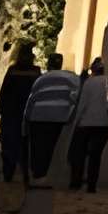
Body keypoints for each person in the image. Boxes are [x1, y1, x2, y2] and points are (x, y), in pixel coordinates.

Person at [66, 59, 108, 194]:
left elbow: (82, 104)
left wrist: (76, 122)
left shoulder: (88, 82)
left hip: (86, 123)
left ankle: (76, 182)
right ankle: (91, 185)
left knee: (79, 154)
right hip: (103, 124)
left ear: (93, 70)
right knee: (95, 156)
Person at [21, 52, 78, 180]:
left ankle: (37, 173)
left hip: (38, 116)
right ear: (61, 64)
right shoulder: (72, 78)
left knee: (37, 146)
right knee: (51, 146)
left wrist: (26, 120)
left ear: (48, 63)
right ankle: (46, 174)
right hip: (59, 117)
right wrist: (71, 116)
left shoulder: (41, 79)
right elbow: (75, 98)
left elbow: (31, 100)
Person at [0, 50, 37, 183]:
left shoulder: (12, 71)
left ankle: (8, 173)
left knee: (7, 145)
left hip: (10, 114)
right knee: (24, 145)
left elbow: (4, 92)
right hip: (26, 114)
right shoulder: (35, 72)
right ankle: (25, 176)